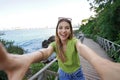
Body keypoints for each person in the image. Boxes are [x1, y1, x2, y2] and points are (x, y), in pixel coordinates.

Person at [0, 17, 120, 80]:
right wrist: (26, 58)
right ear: (57, 30)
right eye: (60, 28)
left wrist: (100, 63)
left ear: (71, 30)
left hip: (78, 73)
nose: (63, 31)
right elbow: (45, 53)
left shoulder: (74, 41)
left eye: (67, 28)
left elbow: (82, 48)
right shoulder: (54, 45)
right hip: (63, 75)